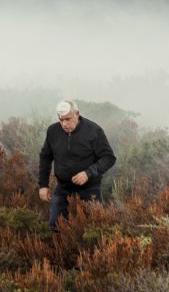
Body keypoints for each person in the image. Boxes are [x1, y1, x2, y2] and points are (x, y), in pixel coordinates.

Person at [38, 99, 117, 231]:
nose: (64, 124)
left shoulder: (94, 131)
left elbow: (108, 158)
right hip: (63, 187)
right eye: (61, 119)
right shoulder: (53, 131)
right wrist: (43, 185)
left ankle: (92, 252)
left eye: (68, 119)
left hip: (90, 187)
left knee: (93, 227)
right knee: (55, 225)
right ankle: (62, 251)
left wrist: (88, 173)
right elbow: (45, 157)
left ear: (77, 113)